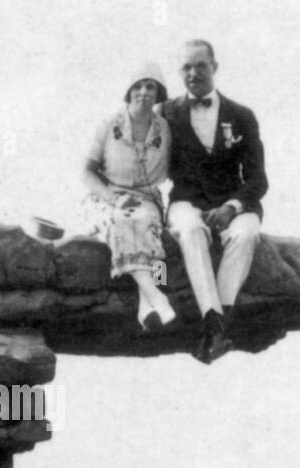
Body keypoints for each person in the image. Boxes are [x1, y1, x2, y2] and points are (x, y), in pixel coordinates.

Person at [159, 39, 268, 363]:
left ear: (215, 67)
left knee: (246, 233)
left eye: (200, 65)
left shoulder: (242, 115)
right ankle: (215, 324)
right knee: (190, 231)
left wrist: (231, 207)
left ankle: (214, 328)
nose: (193, 73)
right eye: (186, 67)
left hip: (232, 203)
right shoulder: (165, 113)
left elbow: (258, 179)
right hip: (186, 203)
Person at [81, 62, 177, 332]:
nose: (144, 92)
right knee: (121, 221)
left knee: (151, 231)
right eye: (138, 86)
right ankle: (158, 297)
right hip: (106, 197)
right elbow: (86, 172)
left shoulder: (165, 130)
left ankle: (146, 308)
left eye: (150, 86)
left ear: (158, 93)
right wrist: (114, 199)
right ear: (128, 91)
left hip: (146, 200)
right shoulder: (109, 125)